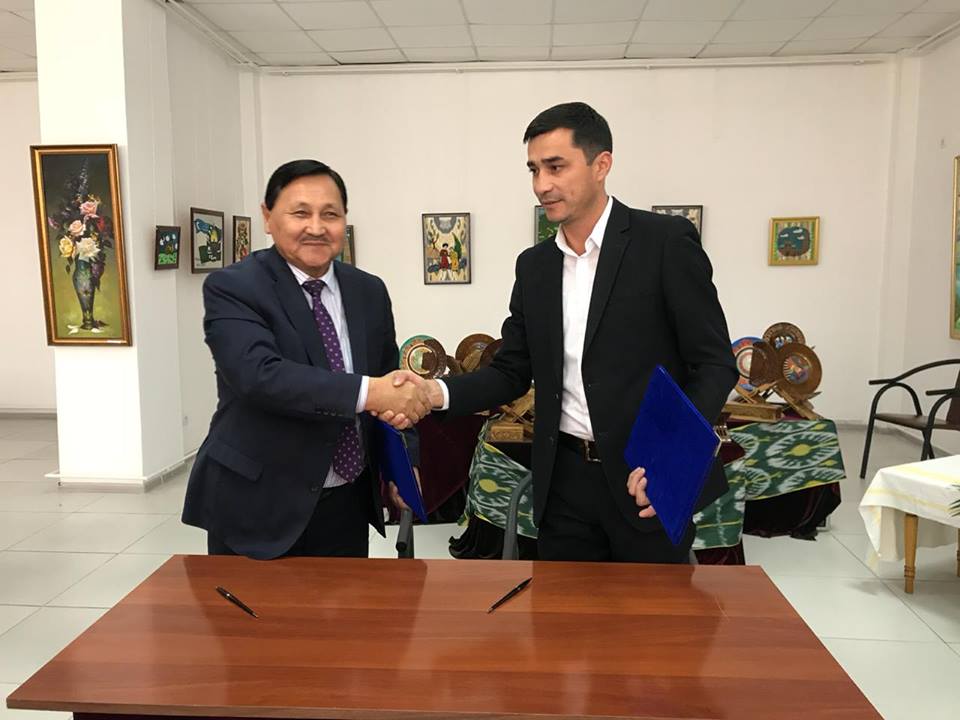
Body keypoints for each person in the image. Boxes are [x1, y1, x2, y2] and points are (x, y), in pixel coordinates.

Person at [394, 102, 738, 563]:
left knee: (654, 611)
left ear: (601, 164)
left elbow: (714, 363)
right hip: (563, 486)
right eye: (534, 169)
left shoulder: (663, 243)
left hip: (645, 479)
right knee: (563, 610)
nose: (542, 184)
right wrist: (434, 393)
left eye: (556, 167)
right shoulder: (534, 267)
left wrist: (671, 459)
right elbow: (511, 371)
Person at [182, 159, 430, 560]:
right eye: (300, 213)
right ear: (267, 217)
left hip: (347, 500)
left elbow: (391, 381)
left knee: (345, 603)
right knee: (252, 604)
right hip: (259, 501)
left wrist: (403, 463)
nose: (316, 227)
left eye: (330, 214)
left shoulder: (368, 290)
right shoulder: (233, 287)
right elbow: (259, 376)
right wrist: (371, 392)